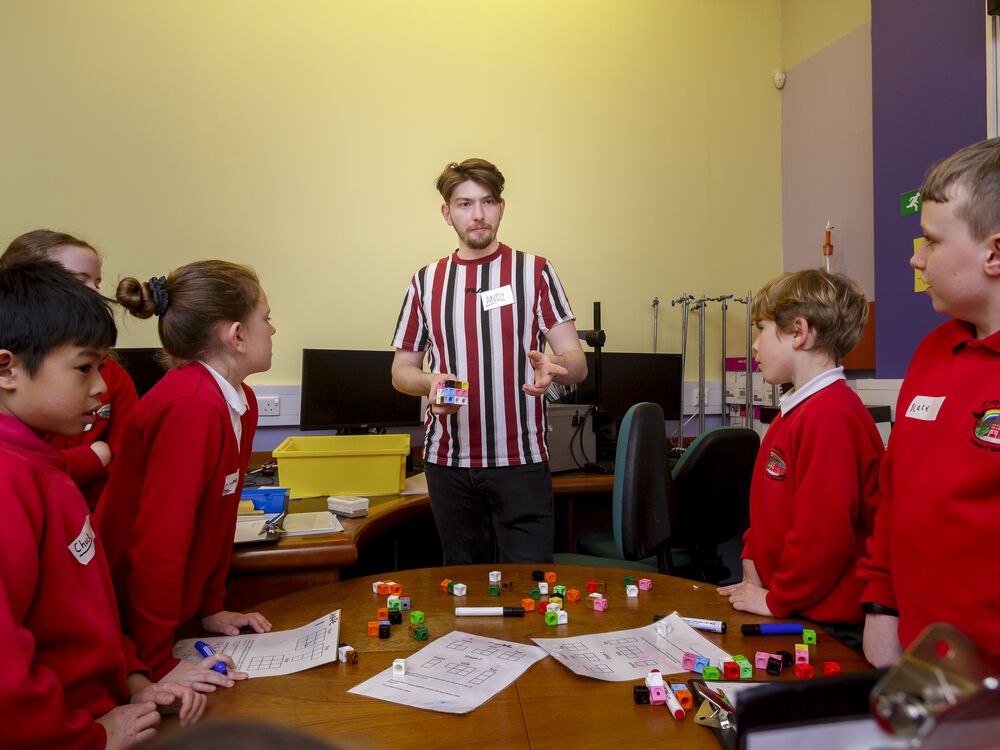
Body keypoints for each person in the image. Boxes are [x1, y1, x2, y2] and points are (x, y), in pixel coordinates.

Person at [0, 261, 209, 749]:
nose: (101, 386)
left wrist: (137, 681)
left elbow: (87, 614)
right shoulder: (11, 481)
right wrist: (86, 738)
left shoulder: (46, 466)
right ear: (6, 368)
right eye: (84, 367)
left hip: (109, 708)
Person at [391, 158, 587, 564]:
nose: (477, 214)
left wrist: (557, 366)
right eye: (464, 204)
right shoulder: (425, 281)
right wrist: (428, 384)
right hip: (448, 463)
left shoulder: (535, 272)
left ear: (502, 206)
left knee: (530, 589)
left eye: (487, 202)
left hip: (521, 462)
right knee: (461, 590)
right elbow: (401, 371)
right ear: (447, 213)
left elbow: (577, 362)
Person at [96, 260, 274, 679]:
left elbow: (217, 520)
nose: (273, 329)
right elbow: (158, 545)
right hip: (128, 627)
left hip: (175, 618)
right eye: (266, 318)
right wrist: (157, 663)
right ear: (237, 335)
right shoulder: (191, 407)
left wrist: (212, 608)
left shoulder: (238, 401)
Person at [860, 138, 1000, 665]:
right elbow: (894, 494)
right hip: (924, 661)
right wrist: (881, 605)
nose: (916, 257)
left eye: (933, 241)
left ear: (994, 252)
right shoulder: (934, 351)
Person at [717, 269, 884, 633]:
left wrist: (779, 600)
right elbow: (770, 505)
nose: (756, 346)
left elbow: (823, 535)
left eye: (760, 330)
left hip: (824, 620)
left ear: (798, 332)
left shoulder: (830, 416)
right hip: (790, 601)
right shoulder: (795, 411)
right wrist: (751, 555)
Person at [0, 229, 139, 510]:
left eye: (97, 283)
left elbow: (128, 459)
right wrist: (92, 458)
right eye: (76, 281)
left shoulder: (114, 377)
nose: (93, 294)